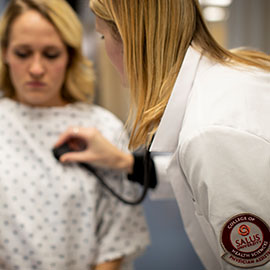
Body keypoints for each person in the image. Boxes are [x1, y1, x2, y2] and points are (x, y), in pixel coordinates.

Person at [54, 0, 270, 269]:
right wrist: (127, 163)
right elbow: (200, 178)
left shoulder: (212, 134)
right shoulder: (237, 74)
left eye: (102, 35)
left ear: (130, 39)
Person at [0, 0, 150, 269]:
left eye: (51, 54)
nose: (36, 68)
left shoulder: (102, 128)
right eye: (23, 53)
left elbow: (118, 236)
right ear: (5, 54)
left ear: (70, 56)